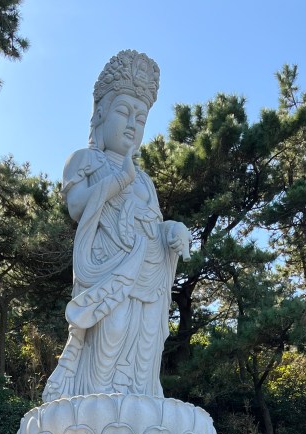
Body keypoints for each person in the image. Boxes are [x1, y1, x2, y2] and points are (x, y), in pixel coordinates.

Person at [43, 50, 190, 402]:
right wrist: (116, 183)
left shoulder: (145, 181)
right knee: (112, 328)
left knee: (146, 338)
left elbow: (154, 225)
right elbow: (77, 206)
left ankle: (140, 400)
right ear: (100, 113)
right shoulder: (85, 160)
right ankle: (92, 401)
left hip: (149, 272)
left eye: (141, 118)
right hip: (107, 267)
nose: (132, 125)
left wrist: (173, 231)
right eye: (124, 111)